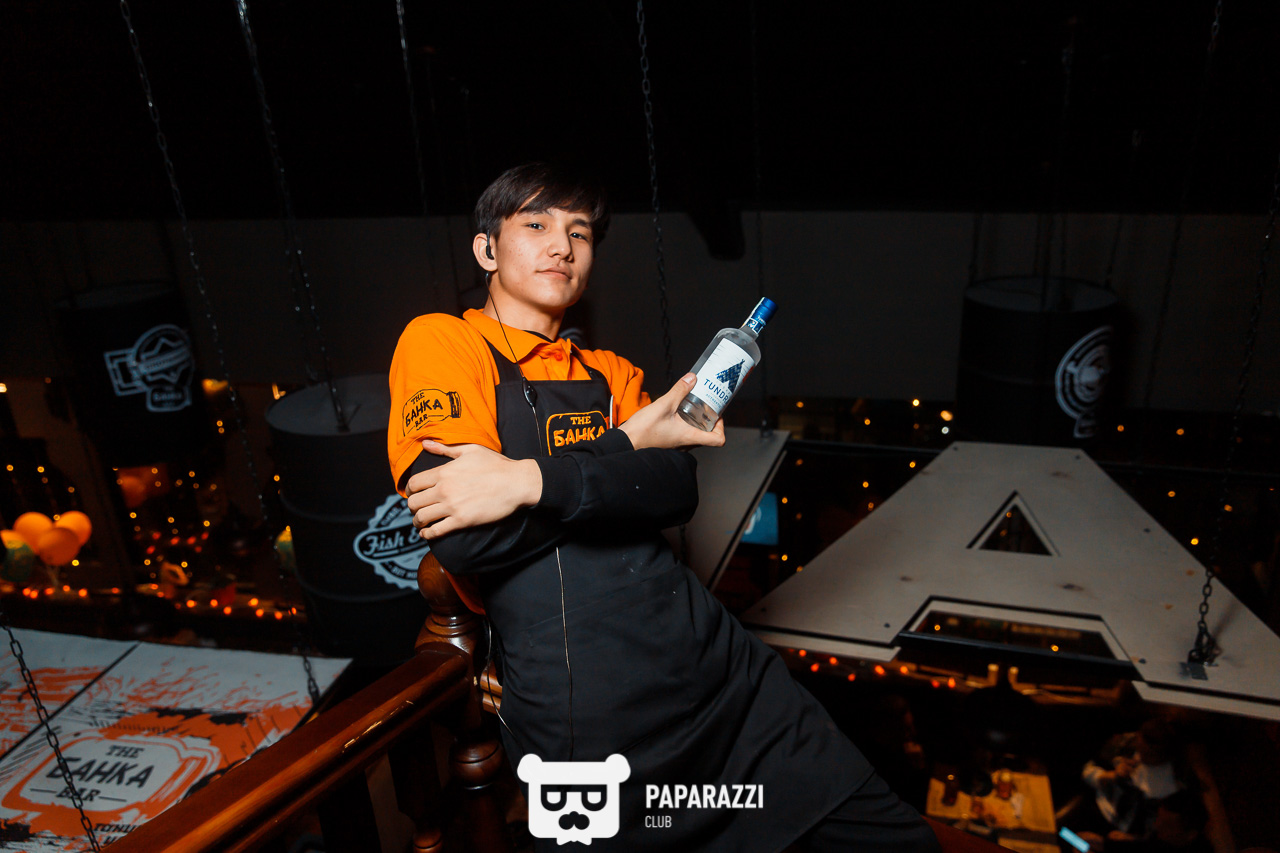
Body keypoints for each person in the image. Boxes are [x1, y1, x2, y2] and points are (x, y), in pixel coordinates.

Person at [387, 163, 938, 852]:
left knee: (901, 843)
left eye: (579, 232)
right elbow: (469, 543)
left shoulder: (610, 370)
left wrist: (524, 481)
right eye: (536, 224)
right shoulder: (443, 342)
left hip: (724, 685)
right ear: (487, 249)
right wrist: (625, 447)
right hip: (587, 717)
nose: (562, 245)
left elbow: (675, 488)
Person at [1080, 719, 1191, 840]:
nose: (1140, 757)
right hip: (1097, 805)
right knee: (1069, 837)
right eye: (1140, 748)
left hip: (1126, 833)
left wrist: (1132, 839)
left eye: (1149, 754)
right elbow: (1087, 770)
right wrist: (1112, 775)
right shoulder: (1126, 743)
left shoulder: (1175, 784)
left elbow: (1162, 831)